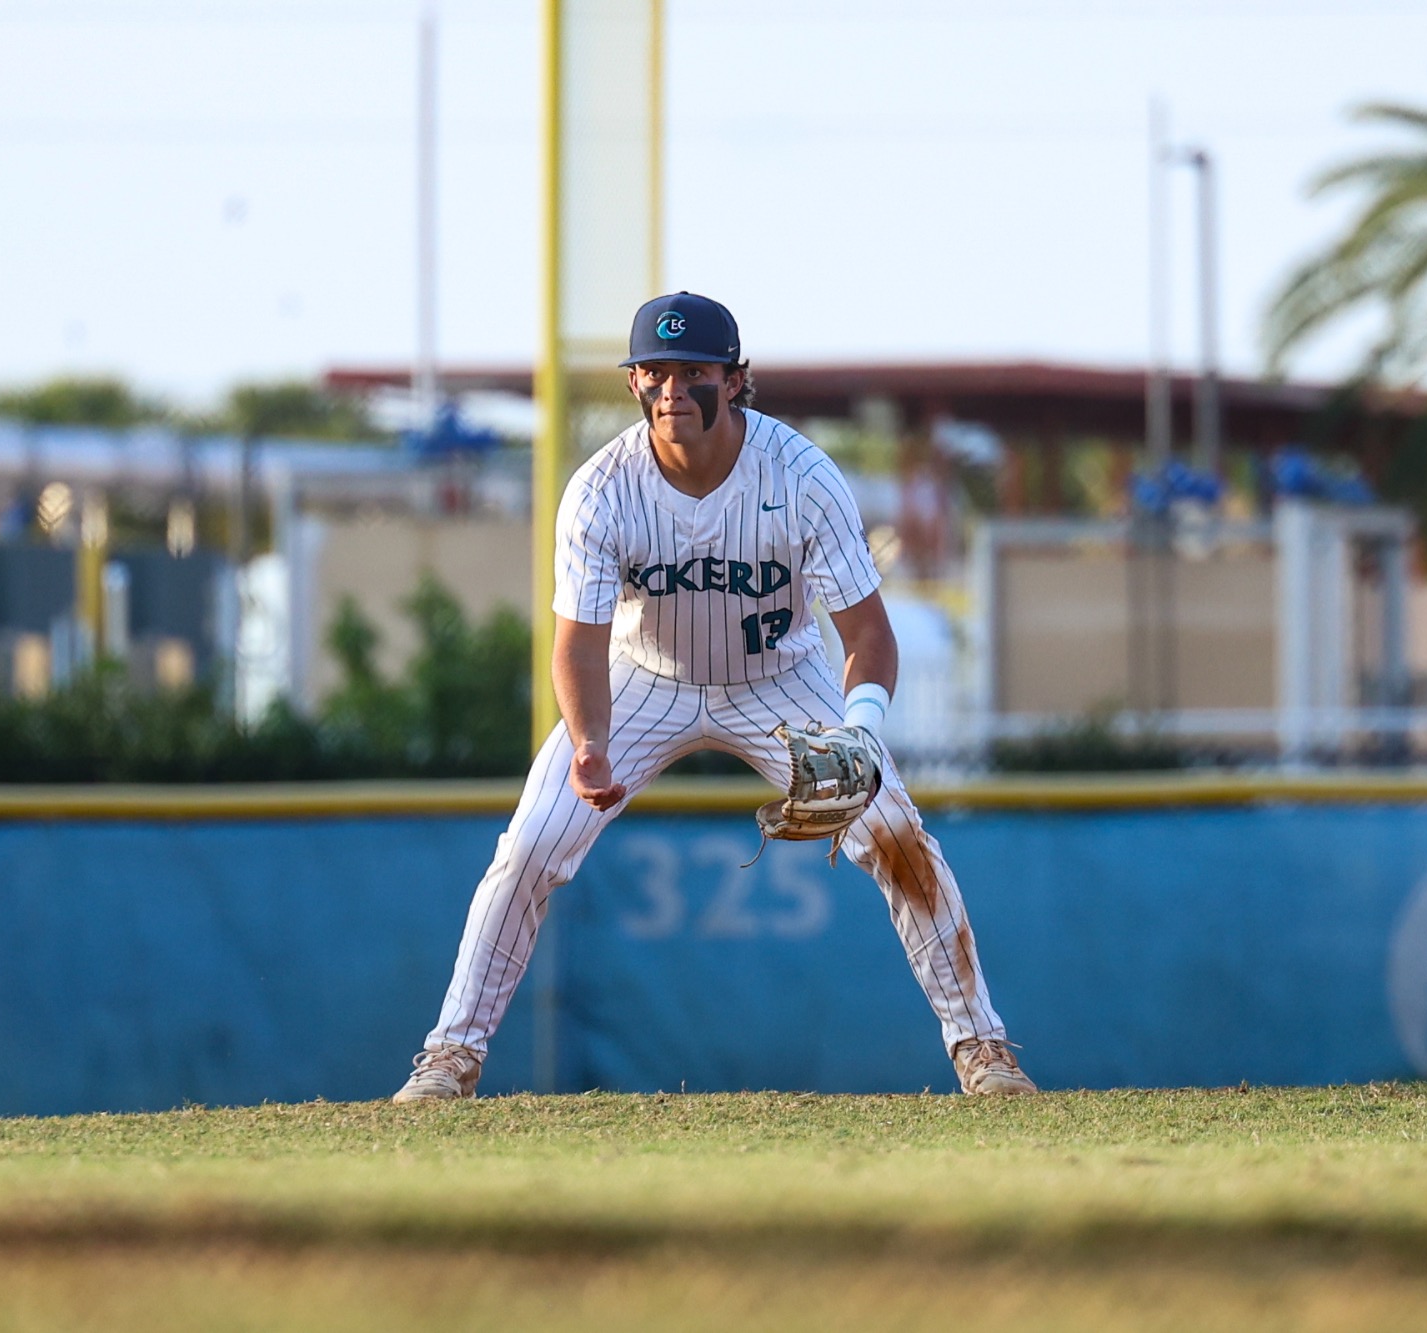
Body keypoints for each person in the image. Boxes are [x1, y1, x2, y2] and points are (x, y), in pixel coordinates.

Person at [392, 292, 1033, 1101]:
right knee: (529, 846)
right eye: (654, 372)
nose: (671, 391)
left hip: (777, 678)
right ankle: (449, 1057)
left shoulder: (800, 476)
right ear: (632, 383)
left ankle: (983, 1049)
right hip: (641, 681)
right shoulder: (602, 490)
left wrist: (862, 731)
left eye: (692, 372)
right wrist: (589, 741)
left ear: (735, 381)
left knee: (897, 833)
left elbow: (870, 635)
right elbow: (579, 643)